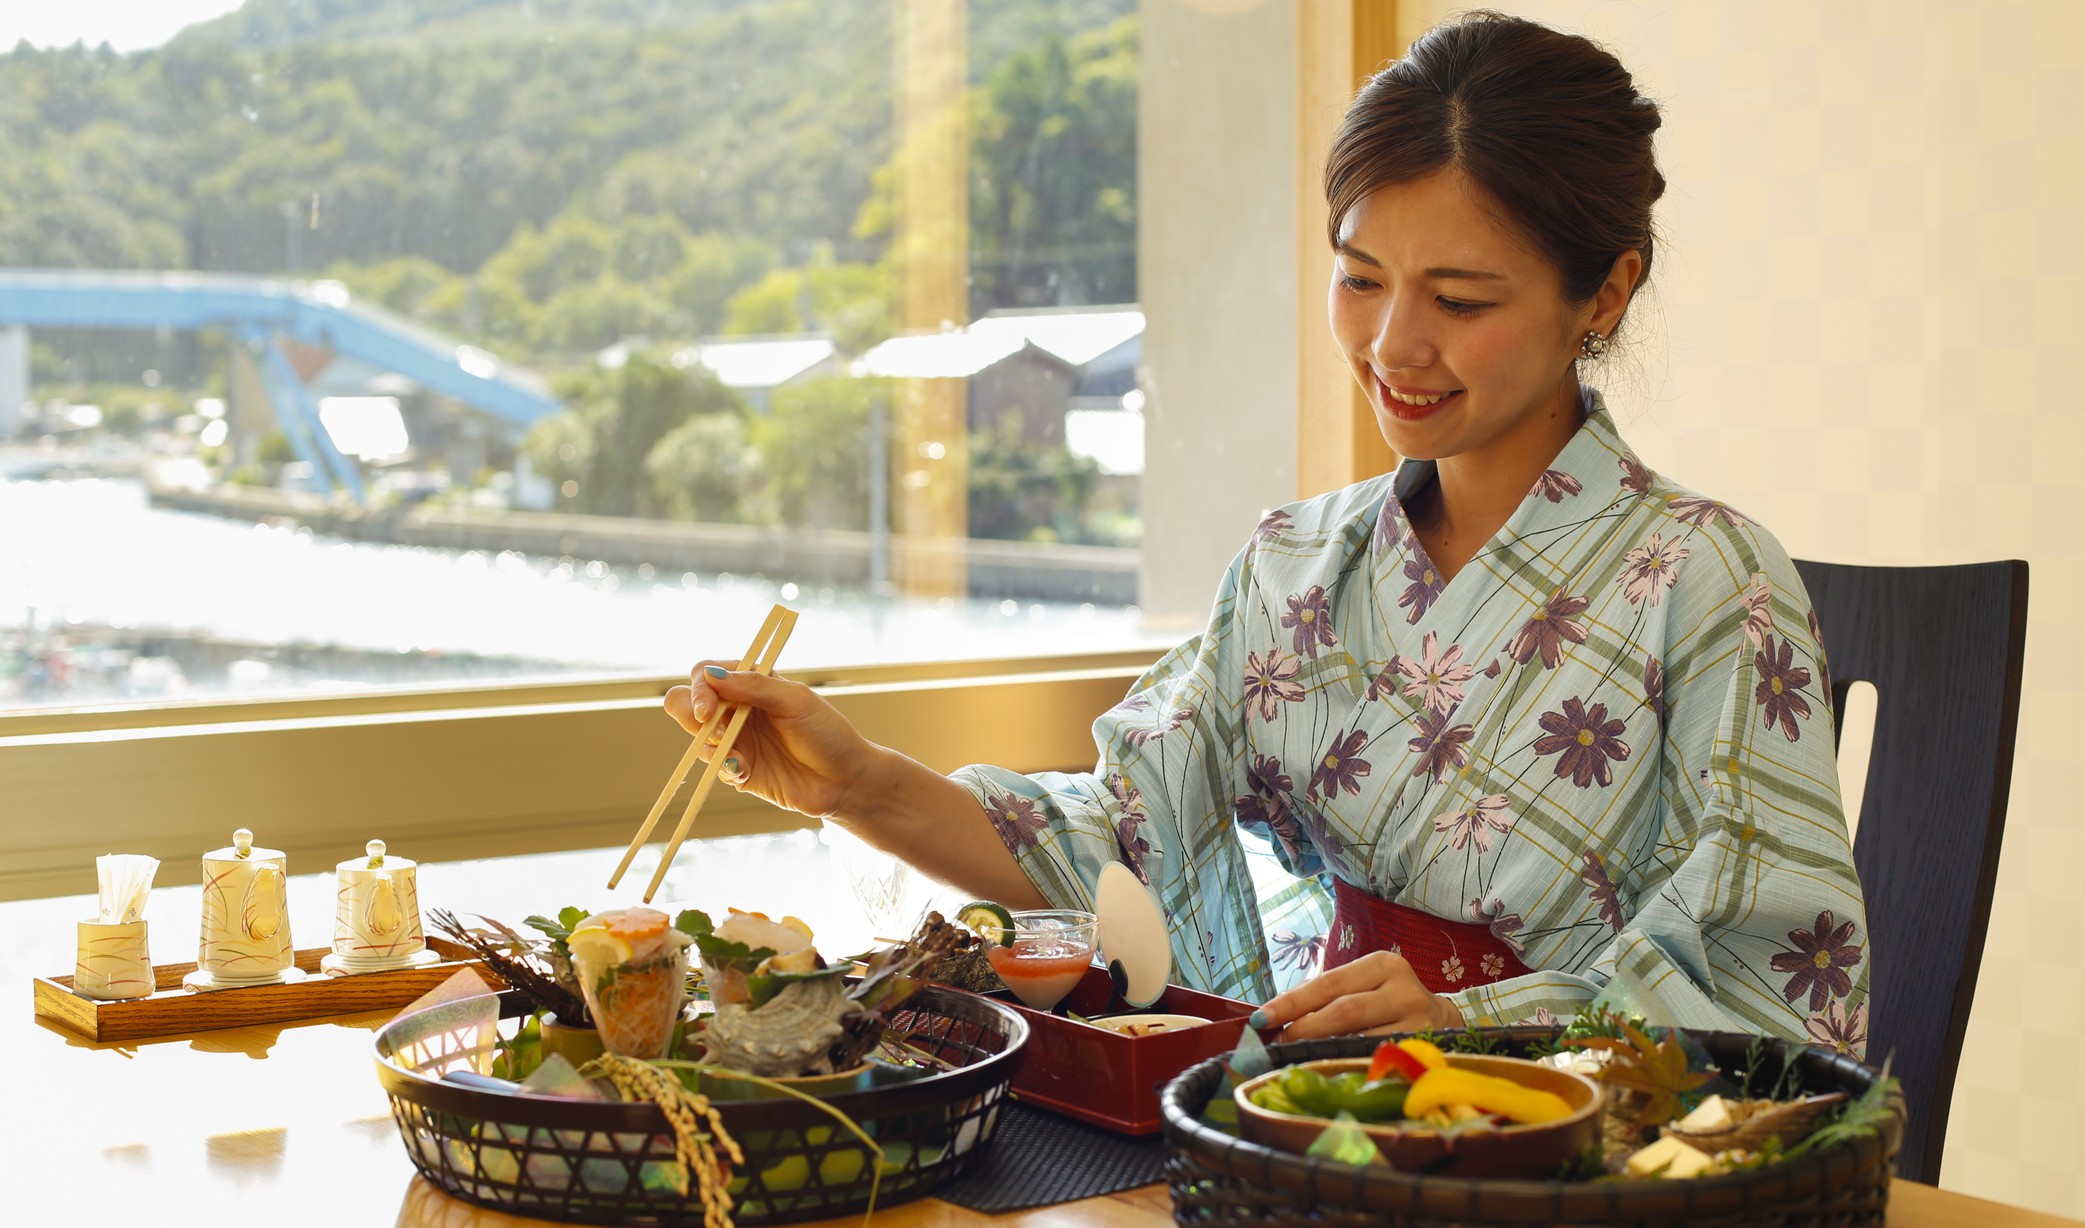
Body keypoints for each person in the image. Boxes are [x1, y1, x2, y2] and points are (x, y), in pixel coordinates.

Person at [666, 11, 1870, 1054]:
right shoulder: (1300, 564)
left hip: (1571, 1156)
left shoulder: (1709, 579)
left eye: (1457, 300)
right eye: (1359, 278)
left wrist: (1471, 1022)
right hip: (1312, 1133)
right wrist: (859, 782)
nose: (1393, 343)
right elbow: (1116, 836)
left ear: (1602, 293)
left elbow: (1770, 981)